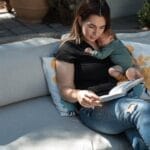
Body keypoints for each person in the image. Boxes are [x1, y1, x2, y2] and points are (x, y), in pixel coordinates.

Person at [55, 0, 150, 149]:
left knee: (140, 141)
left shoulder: (108, 40)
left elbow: (129, 62)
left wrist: (134, 71)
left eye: (101, 27)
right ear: (80, 20)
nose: (96, 33)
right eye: (91, 26)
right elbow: (65, 89)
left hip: (122, 98)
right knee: (142, 110)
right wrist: (79, 95)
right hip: (95, 108)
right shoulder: (68, 49)